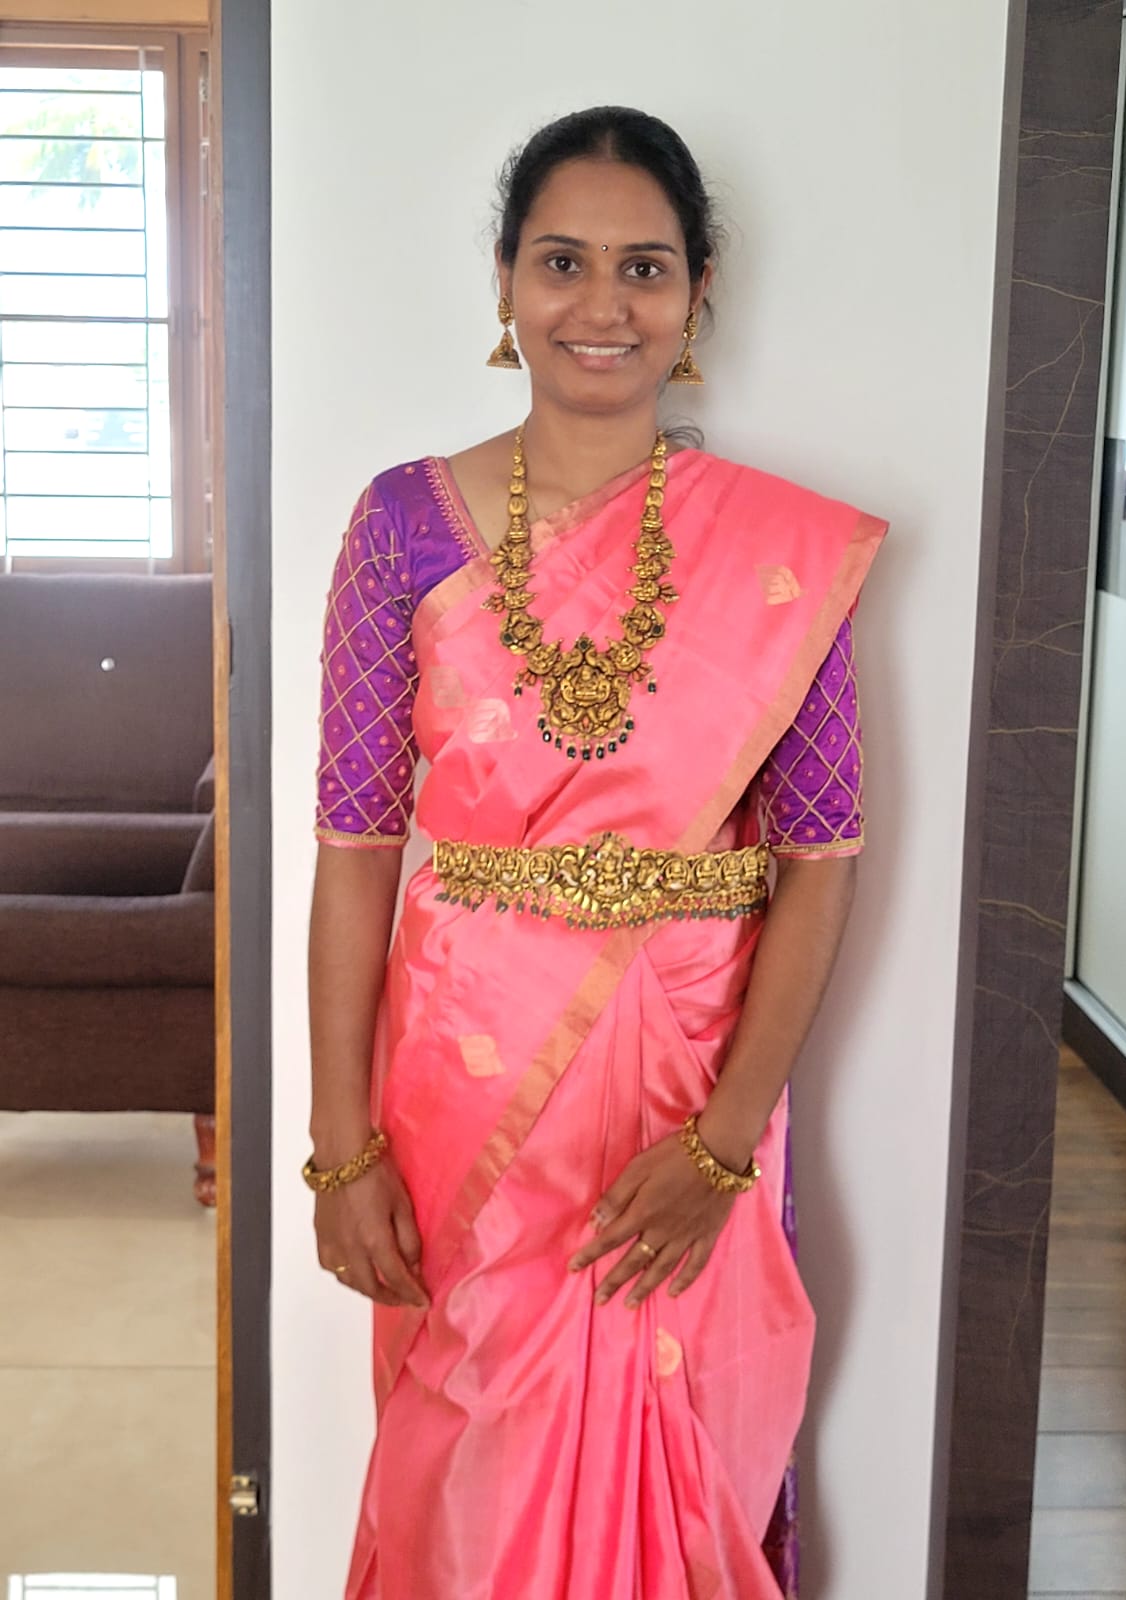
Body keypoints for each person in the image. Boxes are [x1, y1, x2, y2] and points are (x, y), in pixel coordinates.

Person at [305, 105, 886, 1600]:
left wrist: (720, 1146)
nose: (601, 305)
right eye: (562, 261)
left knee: (680, 1452)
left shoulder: (781, 553)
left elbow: (822, 859)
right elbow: (356, 848)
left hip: (693, 1087)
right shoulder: (404, 527)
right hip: (463, 1094)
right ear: (505, 281)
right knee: (471, 1481)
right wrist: (342, 1150)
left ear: (699, 293)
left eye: (645, 267)